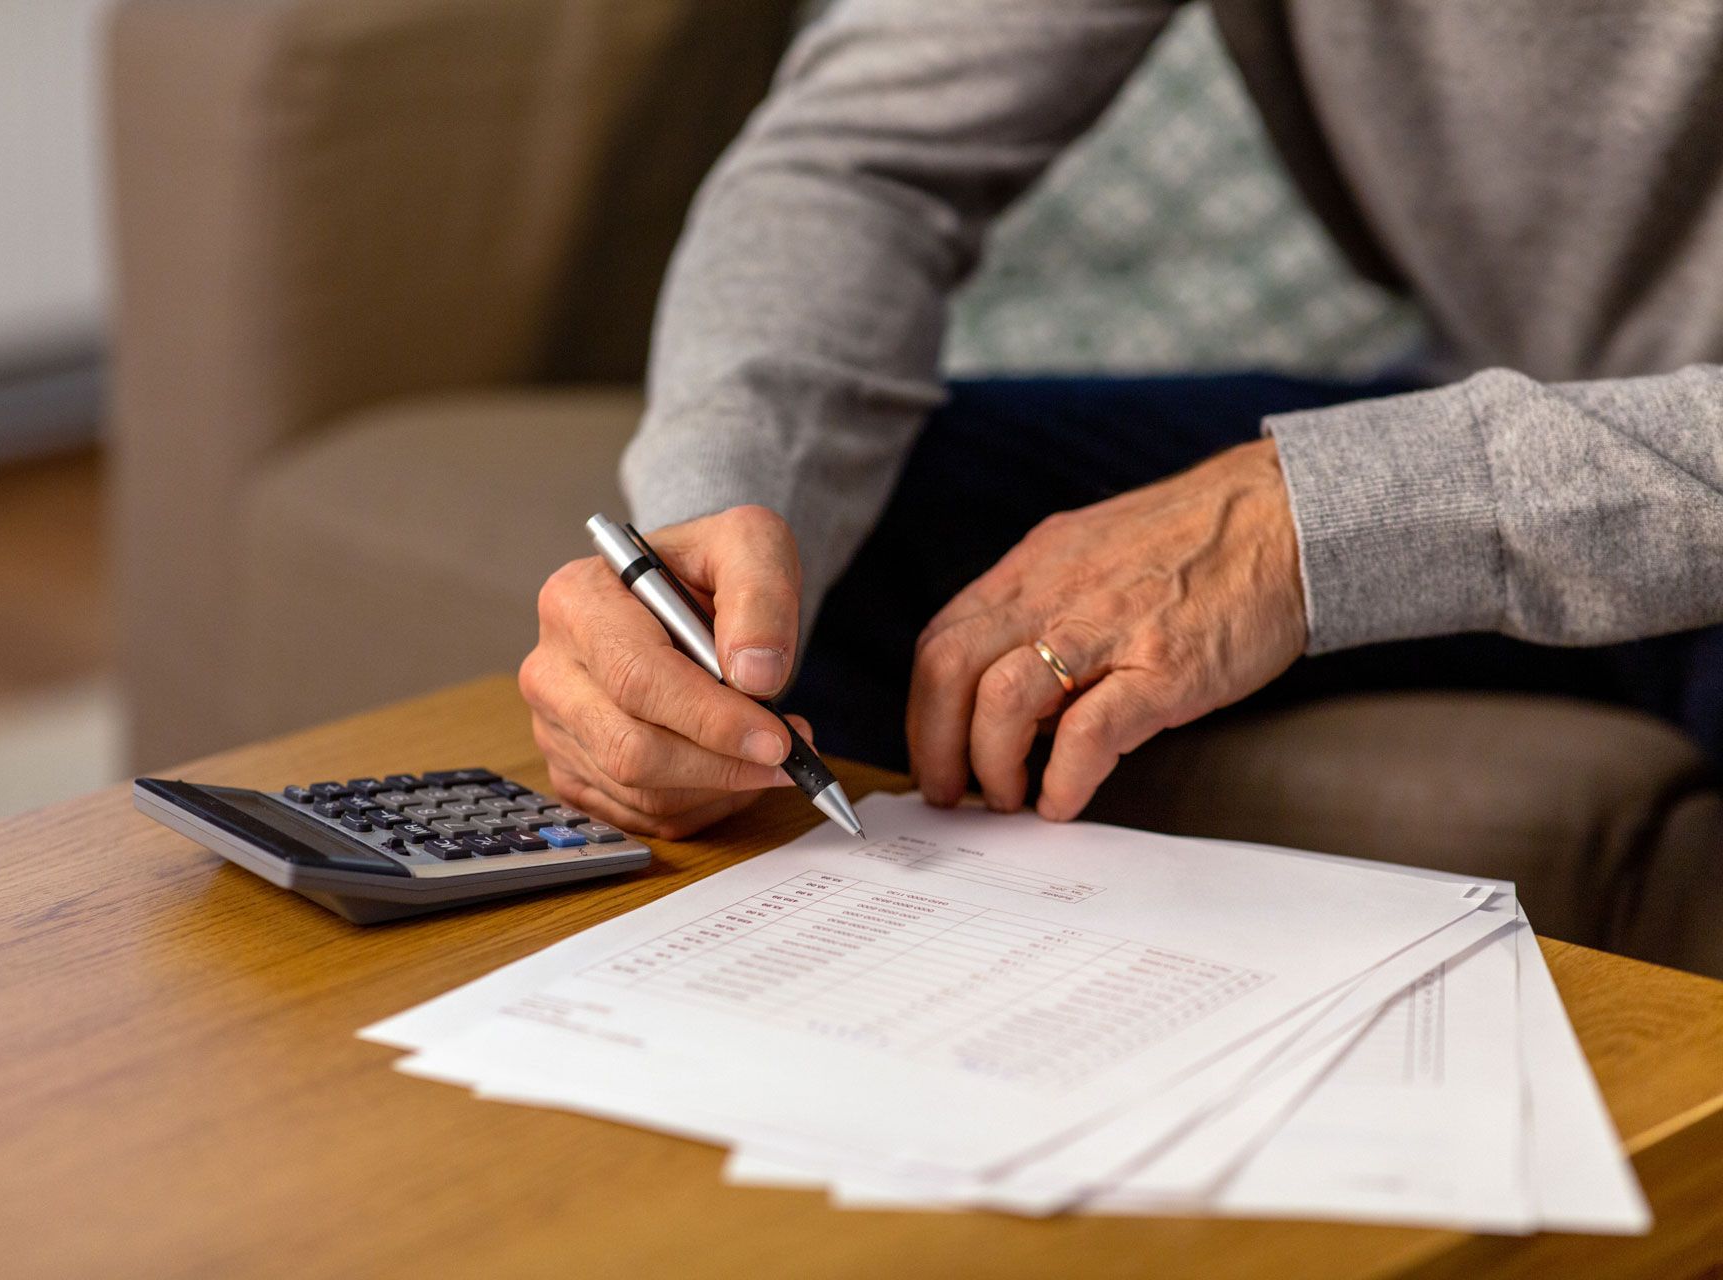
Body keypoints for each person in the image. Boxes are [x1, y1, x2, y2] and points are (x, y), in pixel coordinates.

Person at [519, 0, 1723, 839]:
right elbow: (862, 159)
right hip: (1504, 387)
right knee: (841, 536)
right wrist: (712, 539)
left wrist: (1313, 520)